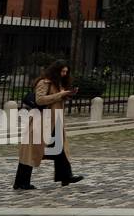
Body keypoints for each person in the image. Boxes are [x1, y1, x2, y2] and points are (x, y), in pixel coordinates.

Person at [13, 60, 84, 190]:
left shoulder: (58, 83)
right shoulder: (43, 82)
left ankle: (66, 176)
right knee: (31, 151)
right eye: (62, 71)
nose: (64, 74)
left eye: (66, 72)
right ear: (56, 71)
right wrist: (60, 95)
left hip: (54, 121)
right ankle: (21, 182)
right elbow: (39, 100)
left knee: (60, 148)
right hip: (41, 122)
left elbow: (55, 99)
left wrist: (67, 94)